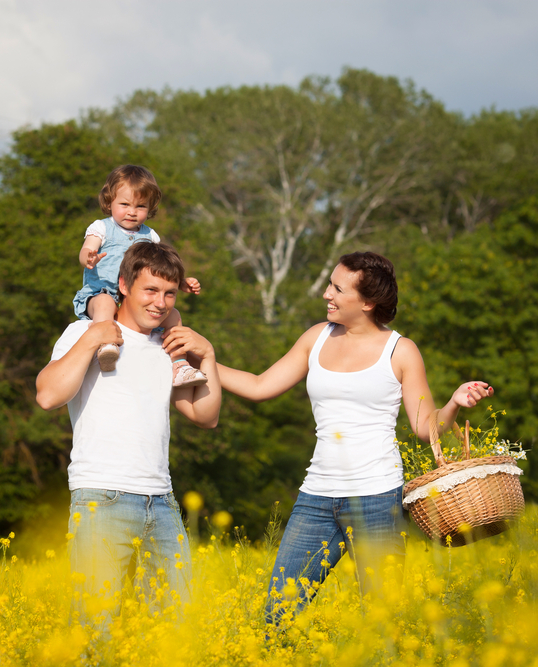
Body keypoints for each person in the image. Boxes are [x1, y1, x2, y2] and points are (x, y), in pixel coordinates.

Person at [217, 252, 494, 613]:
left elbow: (426, 428)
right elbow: (259, 386)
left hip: (376, 498)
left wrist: (454, 402)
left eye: (336, 288)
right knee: (278, 614)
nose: (325, 294)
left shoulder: (401, 351)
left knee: (382, 621)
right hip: (315, 497)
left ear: (367, 302)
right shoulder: (316, 337)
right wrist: (204, 359)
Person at [37, 241, 221, 616]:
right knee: (96, 629)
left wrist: (210, 357)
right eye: (150, 290)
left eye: (170, 293)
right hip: (102, 499)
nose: (161, 302)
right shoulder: (83, 333)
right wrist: (94, 335)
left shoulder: (168, 347)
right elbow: (48, 396)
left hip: (163, 501)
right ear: (123, 284)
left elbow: (205, 415)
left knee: (173, 630)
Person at [73, 165, 208, 388]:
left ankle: (180, 364)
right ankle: (107, 346)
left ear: (150, 208)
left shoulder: (150, 235)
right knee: (106, 304)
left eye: (141, 206)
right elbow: (87, 248)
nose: (132, 211)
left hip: (134, 299)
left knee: (173, 314)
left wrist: (180, 281)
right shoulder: (102, 227)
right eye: (124, 204)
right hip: (102, 291)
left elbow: (161, 267)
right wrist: (89, 258)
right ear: (109, 203)